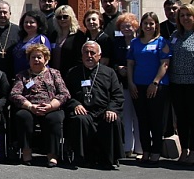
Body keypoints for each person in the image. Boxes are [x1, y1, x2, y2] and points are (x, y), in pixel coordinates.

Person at [63, 41, 124, 170]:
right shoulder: (73, 72)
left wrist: (111, 109)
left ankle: (108, 159)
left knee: (112, 119)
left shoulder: (109, 72)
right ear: (81, 55)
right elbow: (66, 94)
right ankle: (84, 158)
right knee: (79, 119)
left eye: (93, 53)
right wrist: (75, 104)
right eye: (86, 52)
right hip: (84, 111)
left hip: (103, 111)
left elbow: (118, 95)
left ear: (99, 56)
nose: (89, 56)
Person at [9, 44, 70, 167]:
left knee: (54, 119)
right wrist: (30, 106)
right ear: (29, 59)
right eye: (33, 57)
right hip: (30, 107)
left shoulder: (54, 73)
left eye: (39, 57)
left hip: (51, 106)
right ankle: (26, 151)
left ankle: (52, 154)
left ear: (46, 59)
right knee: (22, 116)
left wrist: (51, 106)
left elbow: (64, 93)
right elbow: (14, 94)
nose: (36, 60)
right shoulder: (22, 75)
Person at [167, 4, 194, 165]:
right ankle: (184, 149)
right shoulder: (175, 35)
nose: (185, 18)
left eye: (188, 15)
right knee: (181, 119)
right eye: (182, 15)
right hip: (176, 83)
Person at [126, 11, 172, 164]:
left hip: (157, 86)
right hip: (138, 85)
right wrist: (131, 83)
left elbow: (165, 64)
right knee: (142, 120)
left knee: (156, 120)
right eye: (145, 23)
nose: (148, 26)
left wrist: (155, 82)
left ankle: (156, 150)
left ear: (156, 25)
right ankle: (145, 150)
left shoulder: (162, 42)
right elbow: (130, 64)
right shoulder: (135, 43)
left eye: (151, 23)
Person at [104, 12, 142, 161]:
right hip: (122, 83)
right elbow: (112, 60)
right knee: (125, 115)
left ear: (135, 26)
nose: (127, 28)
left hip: (138, 83)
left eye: (130, 26)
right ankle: (127, 147)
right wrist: (118, 68)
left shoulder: (139, 42)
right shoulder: (117, 43)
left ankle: (140, 148)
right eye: (124, 26)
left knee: (138, 116)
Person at [12, 11, 51, 77]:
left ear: (38, 24)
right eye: (26, 22)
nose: (28, 24)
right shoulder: (20, 39)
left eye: (31, 22)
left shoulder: (41, 39)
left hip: (35, 77)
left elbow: (46, 59)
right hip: (19, 76)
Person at [0, 2, 19, 77]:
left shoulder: (18, 30)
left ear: (10, 13)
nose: (2, 15)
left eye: (5, 12)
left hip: (13, 72)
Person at [51, 5, 85, 73]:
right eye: (59, 17)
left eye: (65, 16)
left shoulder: (78, 35)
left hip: (71, 73)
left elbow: (80, 57)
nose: (62, 19)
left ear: (71, 17)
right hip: (54, 74)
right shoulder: (54, 35)